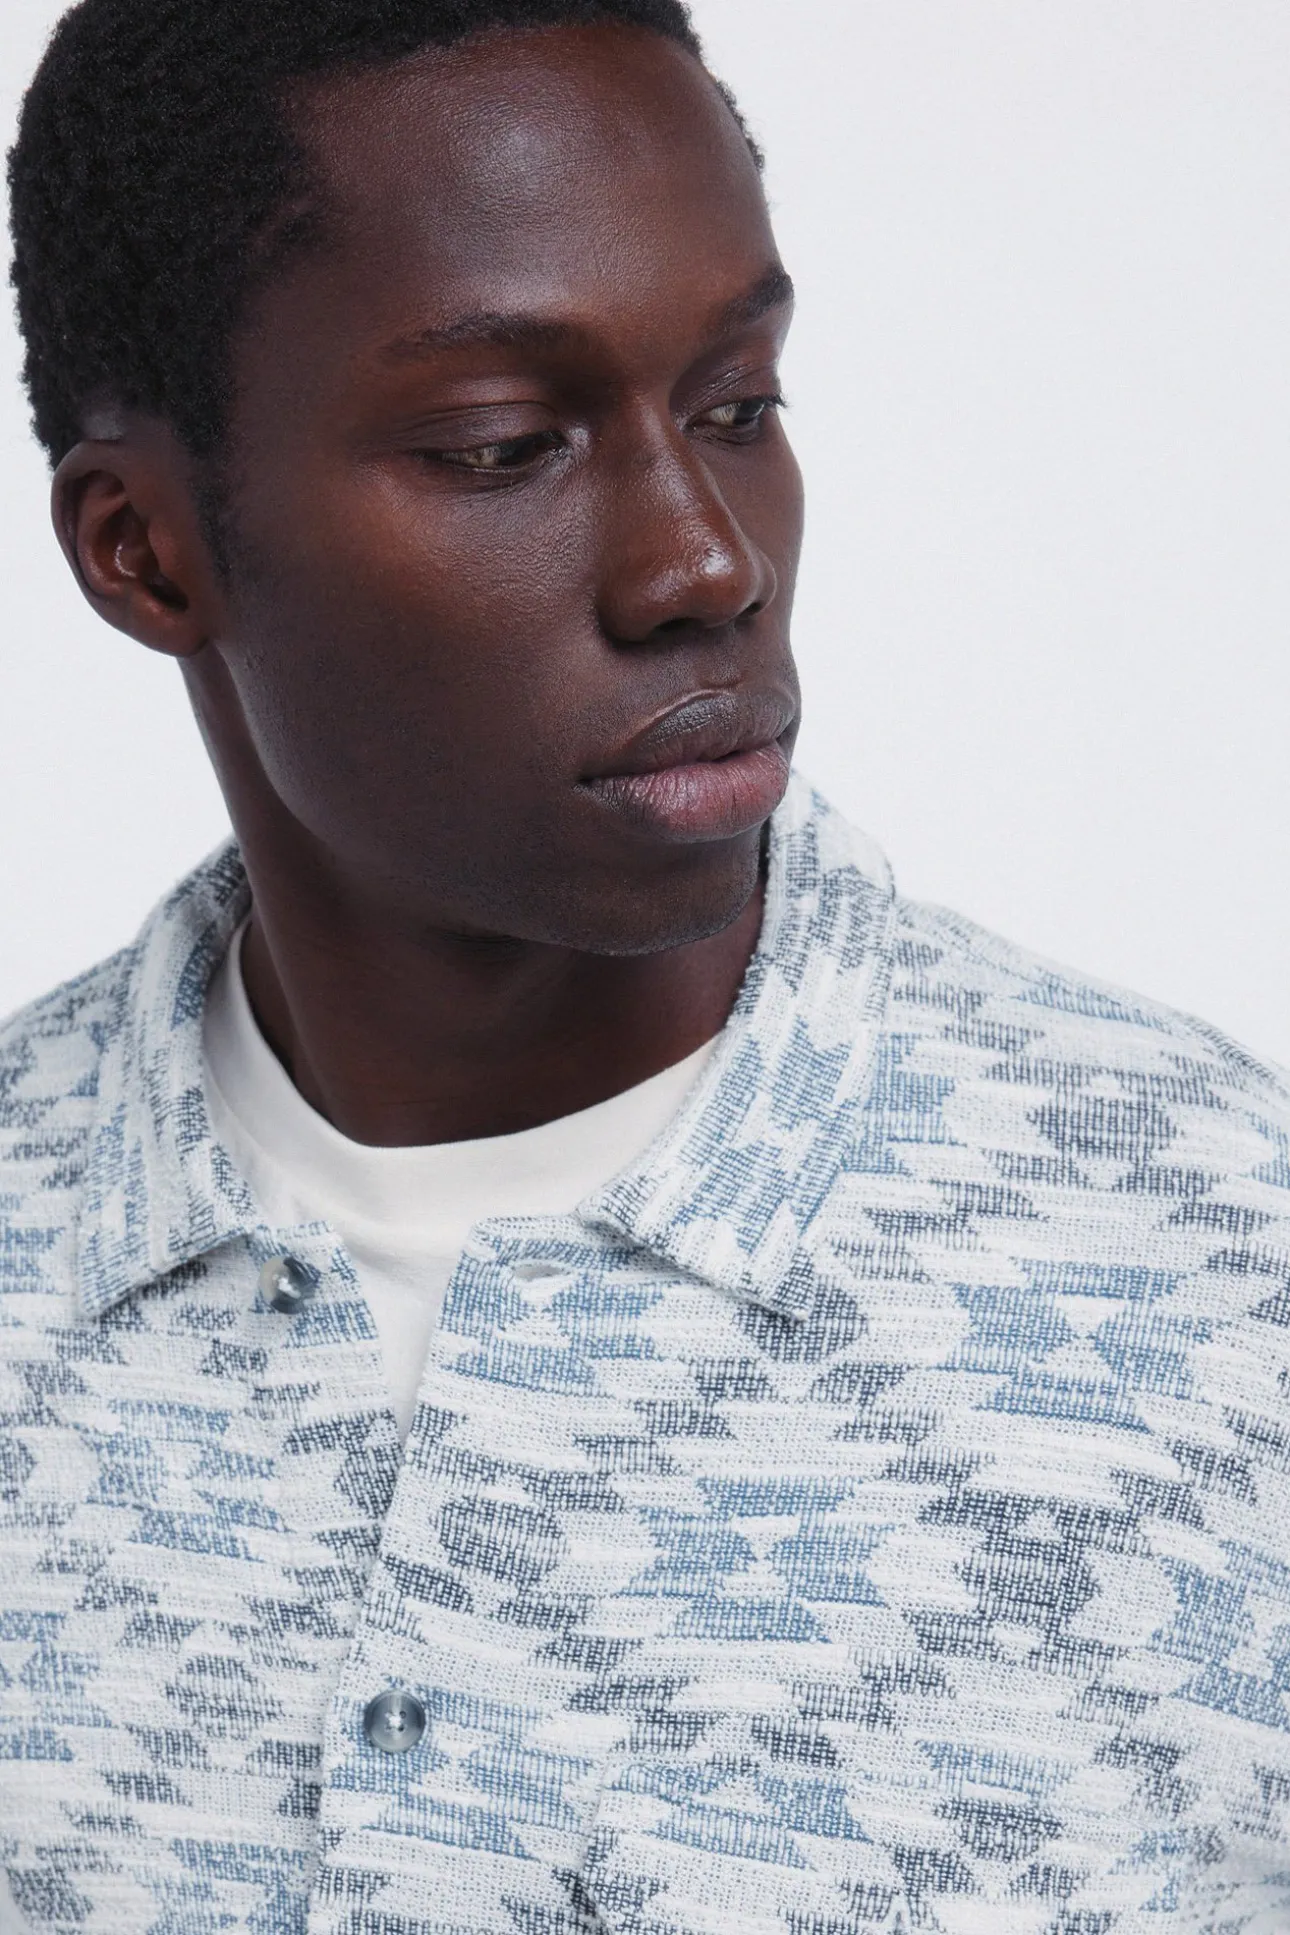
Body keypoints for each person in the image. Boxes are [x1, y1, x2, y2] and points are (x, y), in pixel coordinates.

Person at [1, 0, 1288, 1929]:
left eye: (738, 405)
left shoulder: (1224, 1278)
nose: (703, 563)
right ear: (143, 551)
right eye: (504, 444)